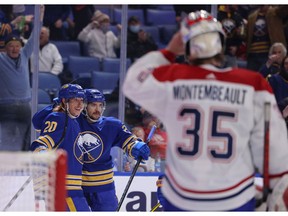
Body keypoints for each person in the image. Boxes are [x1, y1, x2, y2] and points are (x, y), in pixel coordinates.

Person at [123, 10, 288, 211]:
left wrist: (170, 50)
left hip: (183, 196)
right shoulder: (252, 82)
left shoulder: (173, 78)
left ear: (188, 46)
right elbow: (277, 151)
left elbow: (132, 82)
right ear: (220, 45)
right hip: (234, 195)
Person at [32, 88, 150, 211]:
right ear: (85, 106)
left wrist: (136, 146)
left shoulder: (112, 125)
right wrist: (58, 105)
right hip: (78, 185)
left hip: (103, 187)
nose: (97, 109)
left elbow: (129, 141)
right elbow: (38, 123)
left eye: (100, 105)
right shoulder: (72, 119)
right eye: (93, 105)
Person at [30, 83, 91, 211]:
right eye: (75, 100)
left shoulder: (72, 120)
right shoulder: (58, 118)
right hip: (64, 190)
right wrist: (41, 152)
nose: (80, 105)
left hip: (72, 189)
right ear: (64, 101)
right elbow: (41, 143)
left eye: (82, 101)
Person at [0, 5, 44, 151]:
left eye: (17, 46)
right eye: (11, 46)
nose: (14, 48)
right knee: (7, 138)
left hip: (25, 105)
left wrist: (40, 15)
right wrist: (12, 24)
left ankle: (24, 165)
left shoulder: (24, 55)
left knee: (28, 138)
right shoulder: (1, 58)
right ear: (5, 48)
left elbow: (35, 36)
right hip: (6, 106)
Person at [246, 5, 288, 71]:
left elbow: (285, 9)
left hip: (269, 53)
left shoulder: (275, 12)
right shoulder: (251, 17)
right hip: (253, 54)